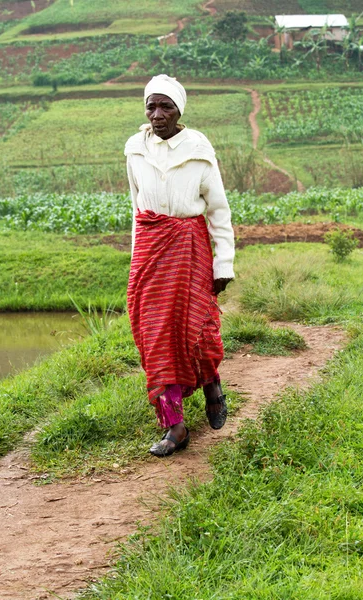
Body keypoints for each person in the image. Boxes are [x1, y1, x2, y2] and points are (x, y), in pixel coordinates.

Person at [125, 74, 235, 457]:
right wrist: (136, 262)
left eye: (165, 106)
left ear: (179, 110)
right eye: (151, 106)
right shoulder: (135, 149)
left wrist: (224, 264)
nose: (157, 114)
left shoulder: (199, 149)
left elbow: (219, 211)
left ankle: (212, 386)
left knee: (196, 327)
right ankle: (175, 426)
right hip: (151, 250)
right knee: (156, 335)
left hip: (190, 248)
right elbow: (136, 208)